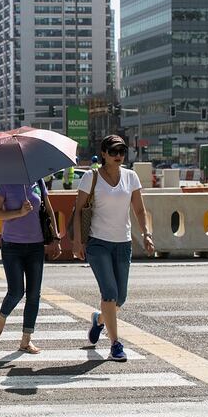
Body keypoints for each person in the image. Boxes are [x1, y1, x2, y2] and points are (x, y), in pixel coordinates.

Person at [73, 135, 155, 362]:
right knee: (109, 293)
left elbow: (139, 210)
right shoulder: (91, 177)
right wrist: (78, 242)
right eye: (113, 151)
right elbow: (78, 210)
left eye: (122, 151)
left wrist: (146, 234)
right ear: (104, 154)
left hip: (123, 243)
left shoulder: (131, 177)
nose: (118, 156)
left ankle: (99, 320)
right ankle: (115, 344)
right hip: (98, 243)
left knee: (120, 298)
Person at [0, 180, 61, 353]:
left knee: (34, 294)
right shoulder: (4, 183)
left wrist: (56, 238)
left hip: (36, 246)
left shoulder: (39, 181)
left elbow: (49, 210)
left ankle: (26, 340)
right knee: (16, 292)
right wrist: (19, 212)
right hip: (12, 246)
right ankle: (2, 317)